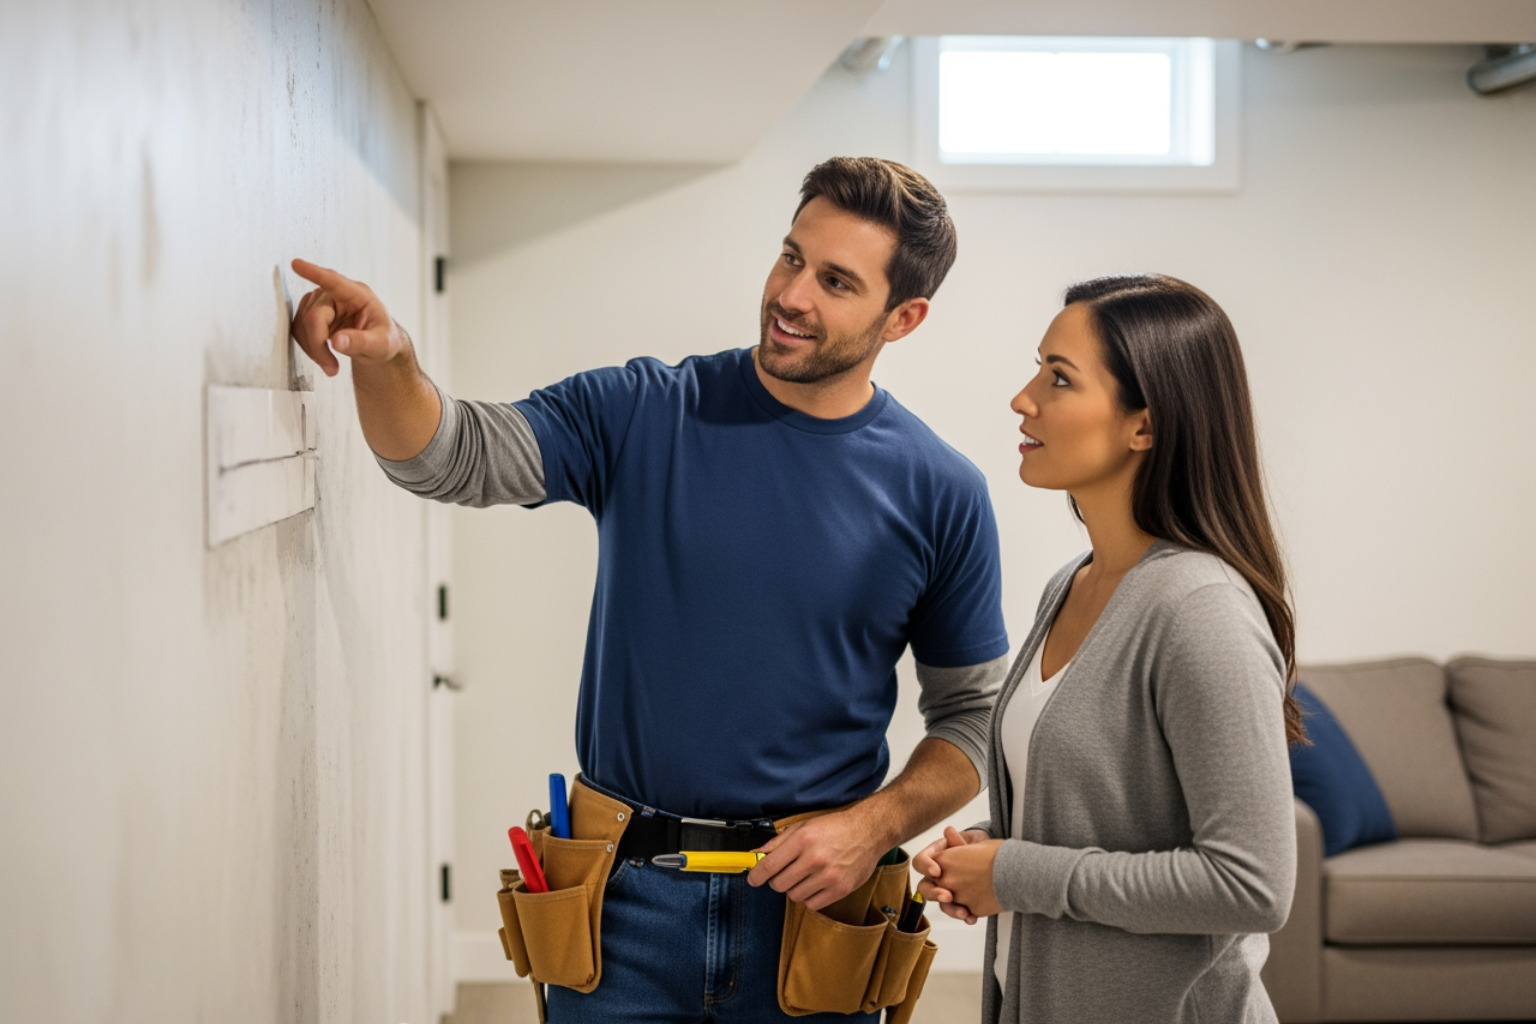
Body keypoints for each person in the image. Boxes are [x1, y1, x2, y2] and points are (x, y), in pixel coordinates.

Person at [288, 157, 1010, 1022]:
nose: (792, 294)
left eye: (835, 281)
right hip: (620, 903)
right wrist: (390, 359)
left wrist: (875, 826)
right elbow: (452, 456)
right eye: (790, 257)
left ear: (904, 318)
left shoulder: (940, 490)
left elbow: (973, 719)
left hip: (815, 919)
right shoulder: (644, 411)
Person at [915, 274, 1302, 1024]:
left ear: (1144, 427)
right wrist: (987, 855)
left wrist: (1018, 873)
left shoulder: (1199, 610)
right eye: (1038, 369)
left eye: (1060, 378)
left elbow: (1253, 885)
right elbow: (1108, 824)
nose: (1023, 399)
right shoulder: (1072, 584)